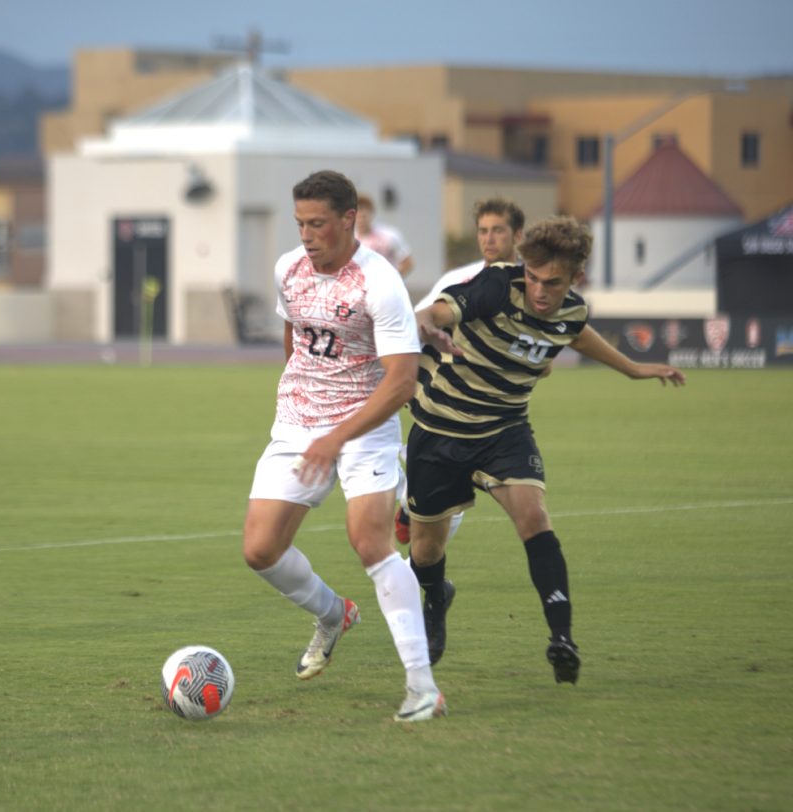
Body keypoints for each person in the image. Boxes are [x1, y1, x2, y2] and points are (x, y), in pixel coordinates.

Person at [407, 215, 686, 683]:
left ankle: (562, 638)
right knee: (425, 551)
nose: (539, 290)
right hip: (441, 430)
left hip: (505, 431)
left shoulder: (572, 310)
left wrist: (632, 369)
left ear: (575, 279)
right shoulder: (498, 285)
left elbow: (576, 332)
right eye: (533, 278)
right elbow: (441, 311)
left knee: (535, 518)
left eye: (552, 283)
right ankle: (436, 598)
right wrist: (425, 323)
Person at [242, 170, 446, 722]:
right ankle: (333, 614)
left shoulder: (379, 283)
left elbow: (401, 382)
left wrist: (337, 436)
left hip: (366, 425)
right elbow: (296, 338)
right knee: (260, 550)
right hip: (298, 426)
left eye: (318, 224)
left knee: (370, 542)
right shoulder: (289, 268)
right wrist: (306, 412)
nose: (307, 235)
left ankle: (422, 687)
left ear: (349, 219)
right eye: (300, 223)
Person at [393, 197, 529, 548]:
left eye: (498, 230)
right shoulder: (459, 279)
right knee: (436, 491)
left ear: (518, 235)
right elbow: (417, 322)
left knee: (452, 500)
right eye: (483, 231)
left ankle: (420, 569)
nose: (489, 238)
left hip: (496, 406)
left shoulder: (533, 284)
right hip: (441, 397)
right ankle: (412, 509)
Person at [355, 193, 414, 277]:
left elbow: (407, 263)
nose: (361, 217)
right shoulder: (350, 241)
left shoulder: (389, 235)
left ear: (371, 213)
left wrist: (393, 281)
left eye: (364, 213)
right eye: (358, 212)